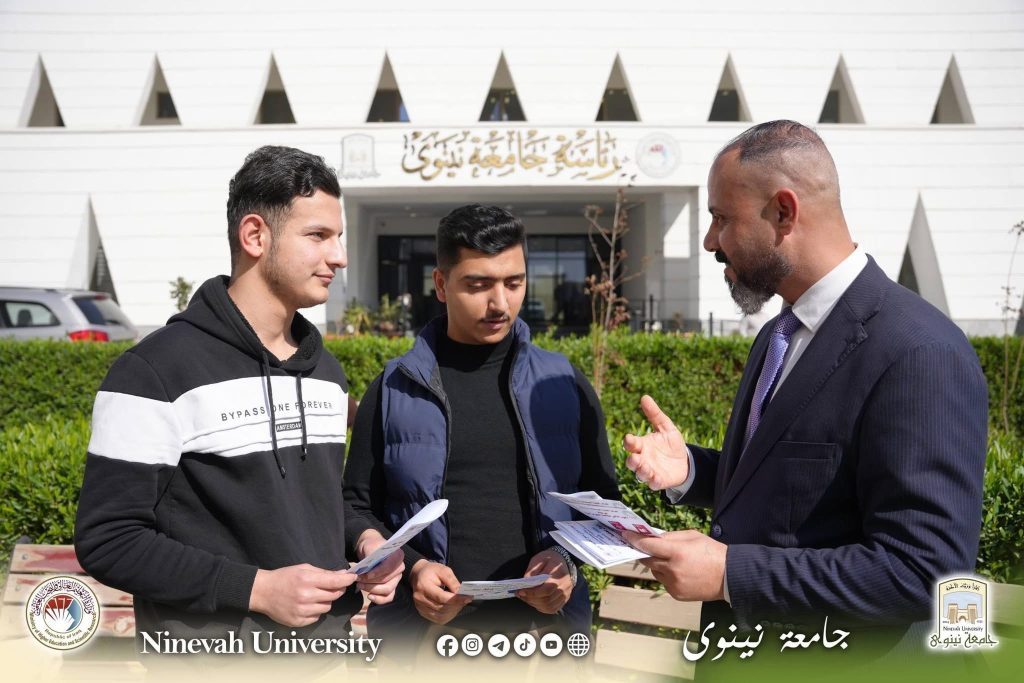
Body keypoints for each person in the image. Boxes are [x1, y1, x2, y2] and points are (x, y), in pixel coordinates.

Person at [622, 121, 987, 657]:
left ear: (784, 212)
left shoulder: (919, 352)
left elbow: (924, 573)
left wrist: (731, 574)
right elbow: (795, 490)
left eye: (722, 218)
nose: (710, 242)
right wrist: (692, 471)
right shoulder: (778, 334)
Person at [74, 145, 403, 650]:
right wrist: (257, 589)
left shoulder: (326, 373)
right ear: (254, 236)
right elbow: (109, 539)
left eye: (338, 238)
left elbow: (315, 501)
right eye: (318, 236)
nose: (338, 257)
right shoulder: (154, 371)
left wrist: (366, 539)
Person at [343, 204, 619, 648]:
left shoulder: (563, 383)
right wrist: (414, 568)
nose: (500, 303)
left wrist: (567, 562)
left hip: (547, 639)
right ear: (441, 284)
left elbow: (605, 506)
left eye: (514, 283)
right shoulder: (394, 388)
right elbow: (355, 507)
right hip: (420, 640)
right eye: (478, 285)